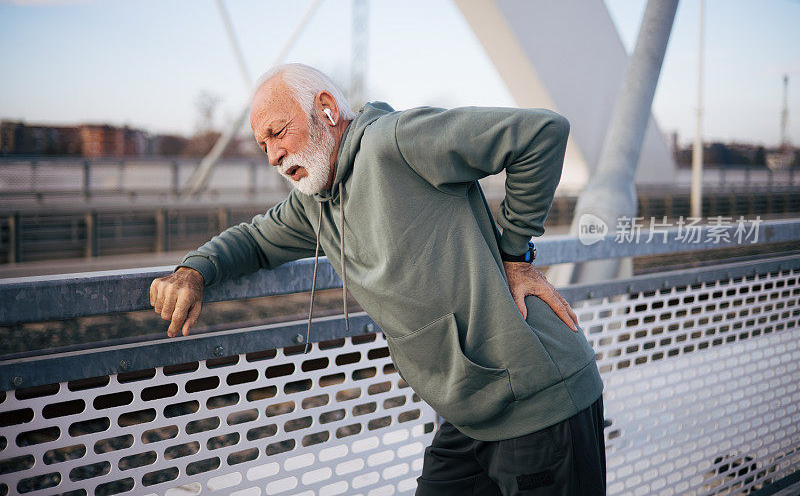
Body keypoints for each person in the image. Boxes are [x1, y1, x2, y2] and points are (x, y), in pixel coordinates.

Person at [150, 63, 606, 495]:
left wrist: (516, 255)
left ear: (327, 109)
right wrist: (193, 271)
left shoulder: (397, 142)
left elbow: (541, 134)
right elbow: (253, 241)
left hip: (539, 401)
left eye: (277, 132)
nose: (272, 155)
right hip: (468, 415)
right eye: (262, 144)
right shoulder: (315, 202)